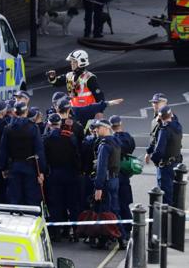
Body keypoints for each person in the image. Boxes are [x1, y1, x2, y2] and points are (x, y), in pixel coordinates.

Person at [0, 102, 46, 206]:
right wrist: (41, 170)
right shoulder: (33, 128)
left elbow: (3, 150)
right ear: (26, 112)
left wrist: (3, 167)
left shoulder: (8, 128)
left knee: (15, 199)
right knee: (31, 199)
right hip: (30, 167)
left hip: (14, 166)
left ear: (14, 113)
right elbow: (39, 150)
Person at [44, 113, 81, 242]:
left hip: (54, 174)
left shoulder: (46, 138)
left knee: (56, 204)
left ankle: (57, 234)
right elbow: (76, 156)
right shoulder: (69, 136)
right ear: (60, 123)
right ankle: (75, 232)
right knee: (72, 203)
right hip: (70, 173)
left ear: (49, 124)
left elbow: (44, 159)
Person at [93, 119, 126, 249]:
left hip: (106, 181)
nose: (96, 130)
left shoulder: (104, 145)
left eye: (98, 127)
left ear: (106, 128)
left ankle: (119, 238)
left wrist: (98, 187)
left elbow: (101, 167)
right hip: (114, 179)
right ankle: (111, 239)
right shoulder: (116, 142)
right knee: (113, 210)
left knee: (106, 212)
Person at [109, 115, 136, 244]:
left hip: (116, 173)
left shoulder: (113, 140)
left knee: (116, 205)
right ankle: (129, 228)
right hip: (125, 174)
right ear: (121, 124)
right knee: (125, 204)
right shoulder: (129, 138)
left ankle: (121, 232)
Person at [150, 106, 183, 205]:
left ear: (160, 117)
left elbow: (159, 150)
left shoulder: (164, 130)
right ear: (171, 114)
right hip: (177, 164)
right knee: (176, 194)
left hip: (166, 166)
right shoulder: (178, 126)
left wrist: (155, 160)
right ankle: (175, 219)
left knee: (165, 198)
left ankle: (166, 220)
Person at [46, 91, 123, 127]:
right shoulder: (50, 119)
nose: (69, 101)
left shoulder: (73, 111)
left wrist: (108, 103)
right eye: (67, 100)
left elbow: (89, 108)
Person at [145, 93, 178, 165]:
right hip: (161, 160)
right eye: (153, 102)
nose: (154, 104)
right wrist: (149, 152)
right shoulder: (157, 117)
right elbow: (155, 136)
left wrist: (155, 157)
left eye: (157, 102)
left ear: (165, 103)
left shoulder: (170, 119)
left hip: (168, 161)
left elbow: (175, 139)